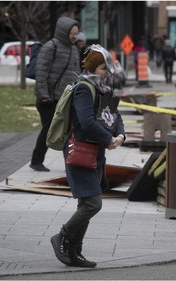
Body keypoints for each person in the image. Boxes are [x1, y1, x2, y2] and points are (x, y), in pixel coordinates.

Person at [50, 44, 126, 268]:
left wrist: (120, 136)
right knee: (93, 203)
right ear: (93, 68)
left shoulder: (104, 88)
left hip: (95, 152)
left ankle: (74, 253)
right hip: (81, 151)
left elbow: (115, 114)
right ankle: (62, 237)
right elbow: (87, 122)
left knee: (86, 202)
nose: (107, 72)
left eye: (107, 68)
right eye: (103, 68)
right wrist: (108, 139)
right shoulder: (84, 88)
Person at [30, 16, 81, 172]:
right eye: (71, 33)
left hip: (65, 98)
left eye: (76, 33)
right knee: (48, 129)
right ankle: (36, 161)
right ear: (63, 32)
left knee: (68, 130)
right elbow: (41, 73)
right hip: (49, 98)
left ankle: (71, 161)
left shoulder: (73, 48)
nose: (74, 36)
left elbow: (75, 73)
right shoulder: (50, 47)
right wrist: (44, 95)